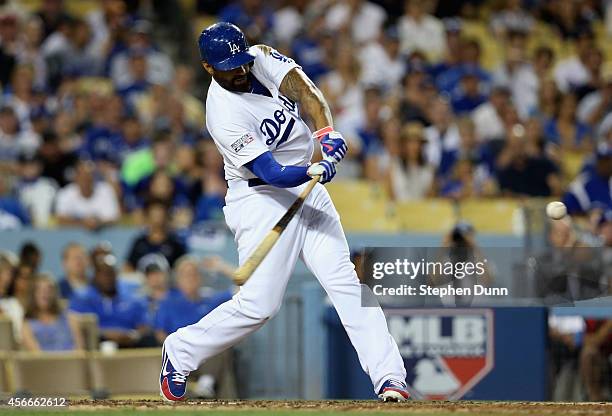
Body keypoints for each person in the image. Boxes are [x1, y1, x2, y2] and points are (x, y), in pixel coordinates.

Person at [159, 22, 408, 403]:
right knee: (259, 306)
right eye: (229, 66)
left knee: (347, 284)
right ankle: (180, 351)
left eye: (241, 61)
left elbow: (305, 91)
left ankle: (390, 379)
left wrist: (326, 133)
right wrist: (311, 169)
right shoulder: (222, 112)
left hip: (308, 190)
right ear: (208, 68)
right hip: (261, 199)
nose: (240, 70)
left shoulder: (257, 58)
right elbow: (271, 172)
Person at [69, 254, 151, 348]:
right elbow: (76, 328)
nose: (107, 278)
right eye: (103, 274)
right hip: (96, 346)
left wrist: (135, 335)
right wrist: (106, 334)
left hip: (130, 346)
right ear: (96, 276)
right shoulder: (82, 298)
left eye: (111, 273)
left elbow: (144, 326)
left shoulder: (132, 298)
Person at [21, 275, 84, 351]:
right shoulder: (26, 326)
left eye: (49, 289)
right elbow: (37, 356)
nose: (44, 293)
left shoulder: (71, 319)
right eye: (40, 290)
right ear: (33, 294)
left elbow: (80, 352)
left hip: (71, 361)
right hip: (45, 362)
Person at [125, 199, 187, 271]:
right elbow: (128, 266)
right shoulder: (139, 243)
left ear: (166, 216)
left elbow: (183, 268)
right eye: (154, 214)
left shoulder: (174, 244)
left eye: (160, 213)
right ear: (147, 217)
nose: (157, 218)